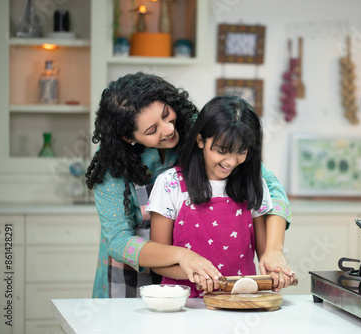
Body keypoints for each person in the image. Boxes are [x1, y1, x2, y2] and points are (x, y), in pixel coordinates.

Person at [86, 72, 293, 298]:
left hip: (202, 278)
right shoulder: (111, 165)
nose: (168, 129)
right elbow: (118, 240)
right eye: (152, 130)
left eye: (166, 114)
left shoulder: (200, 132)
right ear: (129, 137)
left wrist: (273, 251)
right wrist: (180, 256)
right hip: (132, 276)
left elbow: (269, 187)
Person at [146, 95, 293, 297]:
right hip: (184, 304)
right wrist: (195, 275)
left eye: (241, 151)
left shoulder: (253, 183)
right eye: (222, 150)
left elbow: (265, 254)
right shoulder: (169, 184)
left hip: (240, 303)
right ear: (200, 140)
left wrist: (276, 270)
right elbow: (158, 262)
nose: (231, 162)